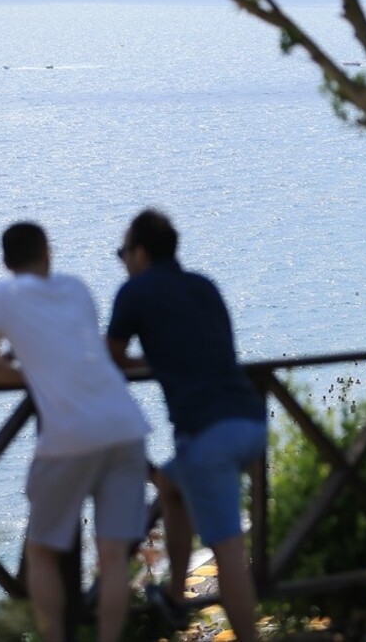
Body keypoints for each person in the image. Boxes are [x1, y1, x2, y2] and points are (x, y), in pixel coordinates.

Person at [0, 222, 150, 642]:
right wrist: (43, 370)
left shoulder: (3, 295)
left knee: (42, 552)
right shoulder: (77, 288)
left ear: (5, 262)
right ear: (47, 254)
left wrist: (33, 374)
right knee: (112, 558)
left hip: (71, 436)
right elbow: (77, 351)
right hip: (125, 426)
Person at [107, 210, 265, 642]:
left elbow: (112, 357)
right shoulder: (204, 286)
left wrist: (151, 364)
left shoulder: (134, 293)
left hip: (208, 434)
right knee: (172, 486)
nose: (122, 260)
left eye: (123, 251)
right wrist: (166, 362)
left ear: (140, 252)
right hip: (250, 419)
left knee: (228, 551)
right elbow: (215, 352)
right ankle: (177, 598)